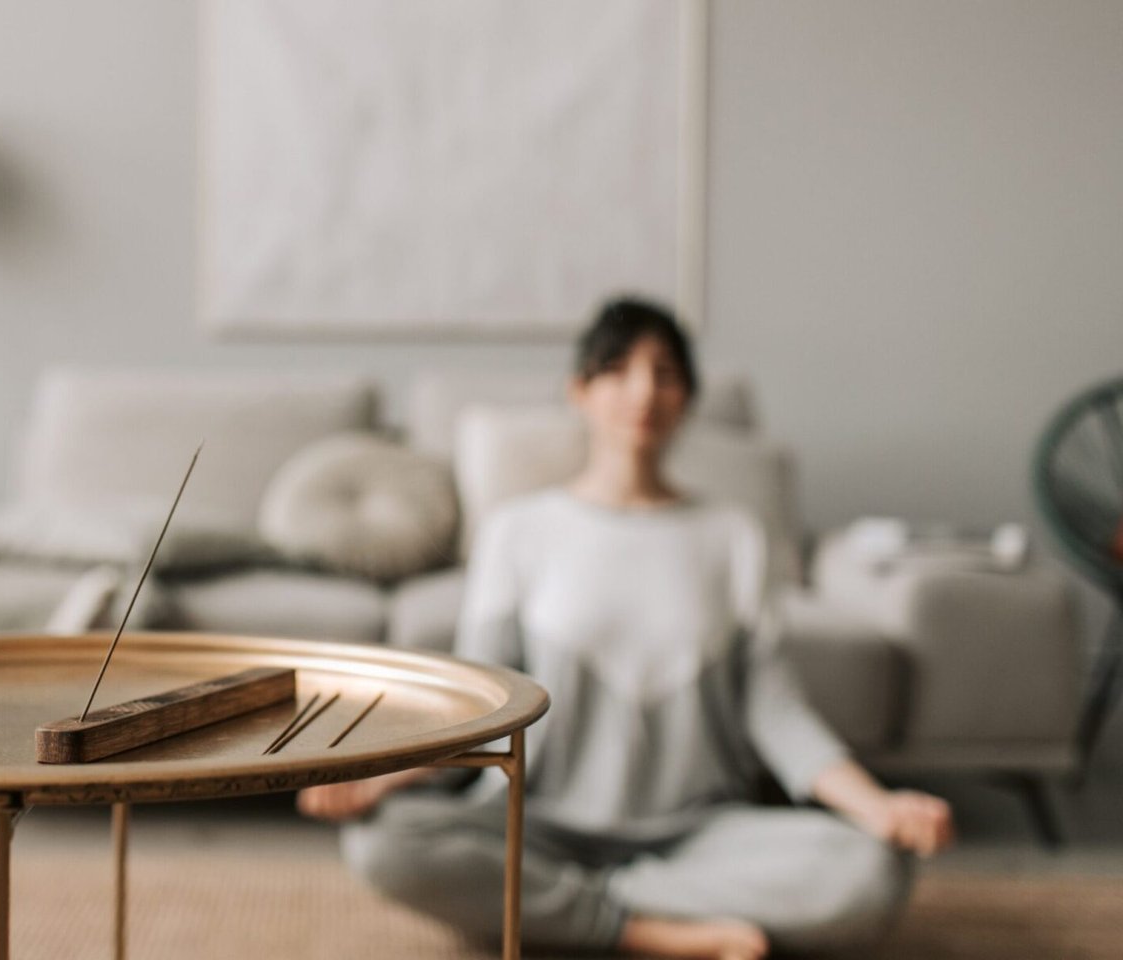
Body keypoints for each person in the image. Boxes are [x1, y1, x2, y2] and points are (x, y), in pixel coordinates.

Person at [297, 298, 954, 960]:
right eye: (617, 369)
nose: (643, 390)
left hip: (699, 834)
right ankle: (644, 930)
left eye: (665, 372)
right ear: (580, 391)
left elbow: (778, 716)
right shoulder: (519, 531)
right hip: (530, 823)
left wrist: (879, 807)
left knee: (872, 870)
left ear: (688, 398)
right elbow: (480, 707)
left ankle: (556, 908)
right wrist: (380, 775)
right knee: (383, 844)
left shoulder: (733, 536)